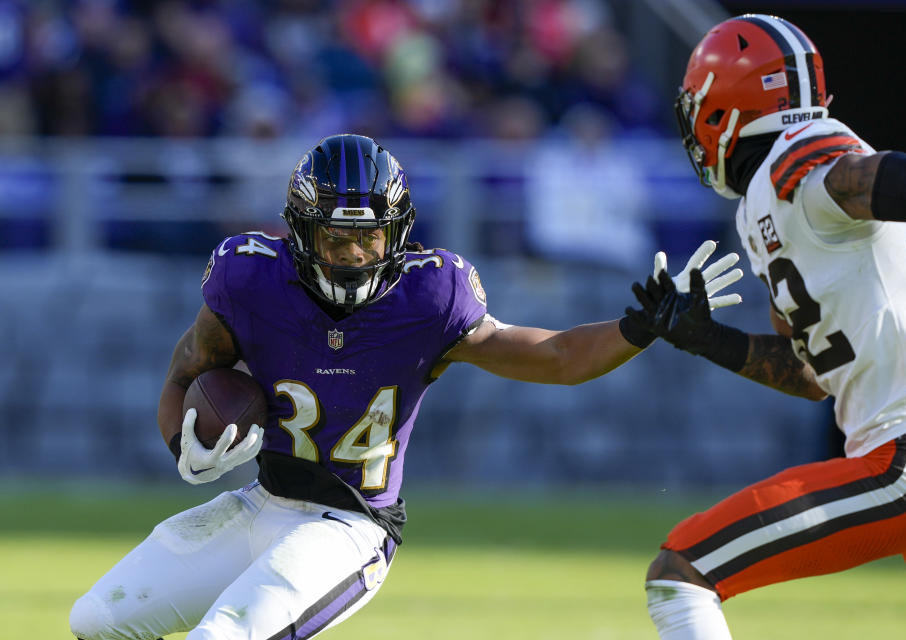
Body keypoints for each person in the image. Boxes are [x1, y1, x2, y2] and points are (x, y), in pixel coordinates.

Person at [69, 133, 743, 640]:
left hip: (348, 527)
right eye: (338, 240)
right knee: (94, 619)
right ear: (302, 233)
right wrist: (182, 443)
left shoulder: (430, 295)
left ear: (398, 233)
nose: (357, 257)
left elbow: (555, 356)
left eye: (371, 239)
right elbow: (187, 371)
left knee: (228, 636)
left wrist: (639, 326)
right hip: (262, 502)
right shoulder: (248, 279)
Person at [618, 13, 906, 639]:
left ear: (722, 112)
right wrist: (710, 341)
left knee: (683, 569)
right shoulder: (767, 202)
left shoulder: (797, 160)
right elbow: (814, 377)